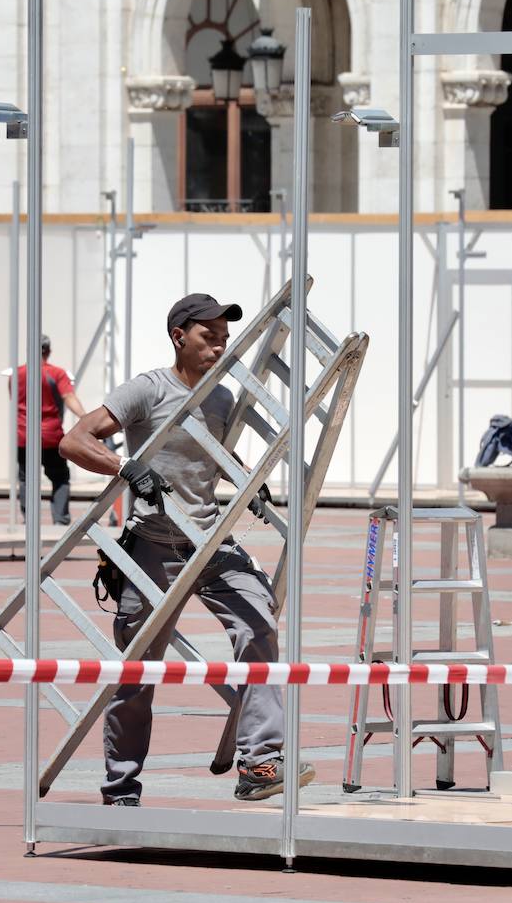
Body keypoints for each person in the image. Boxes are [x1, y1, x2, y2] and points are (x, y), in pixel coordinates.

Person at [59, 292, 314, 806]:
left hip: (211, 539)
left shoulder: (222, 398)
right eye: (208, 336)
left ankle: (259, 762)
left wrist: (246, 478)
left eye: (224, 337)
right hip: (151, 547)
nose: (219, 346)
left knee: (259, 624)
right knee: (136, 671)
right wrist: (125, 467)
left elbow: (214, 456)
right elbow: (74, 441)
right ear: (179, 335)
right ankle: (121, 788)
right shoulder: (146, 391)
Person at [16, 334, 86, 525]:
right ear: (48, 351)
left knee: (26, 479)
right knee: (60, 477)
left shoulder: (17, 374)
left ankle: (29, 521)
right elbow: (69, 397)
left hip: (25, 436)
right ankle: (60, 521)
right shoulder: (56, 374)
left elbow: (14, 400)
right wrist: (84, 417)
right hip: (51, 436)